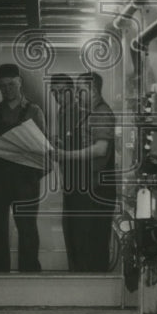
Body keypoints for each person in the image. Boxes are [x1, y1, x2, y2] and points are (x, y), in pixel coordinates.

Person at [0, 63, 45, 272]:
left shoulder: (34, 111)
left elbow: (42, 148)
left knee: (27, 228)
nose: (7, 89)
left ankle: (29, 274)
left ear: (20, 83)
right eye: (3, 86)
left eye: (11, 85)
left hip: (26, 179)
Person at [58, 71, 117, 272]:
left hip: (96, 191)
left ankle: (92, 287)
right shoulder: (88, 114)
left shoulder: (101, 113)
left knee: (92, 245)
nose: (76, 95)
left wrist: (66, 155)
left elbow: (100, 149)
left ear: (92, 91)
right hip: (84, 188)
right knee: (79, 242)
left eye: (80, 90)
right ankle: (81, 283)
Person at [48, 73, 77, 270]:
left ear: (72, 91)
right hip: (68, 179)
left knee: (76, 231)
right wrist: (57, 143)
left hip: (81, 181)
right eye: (55, 93)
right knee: (70, 228)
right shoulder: (62, 112)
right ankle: (75, 272)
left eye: (62, 92)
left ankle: (82, 276)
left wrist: (63, 151)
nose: (58, 97)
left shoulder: (79, 112)